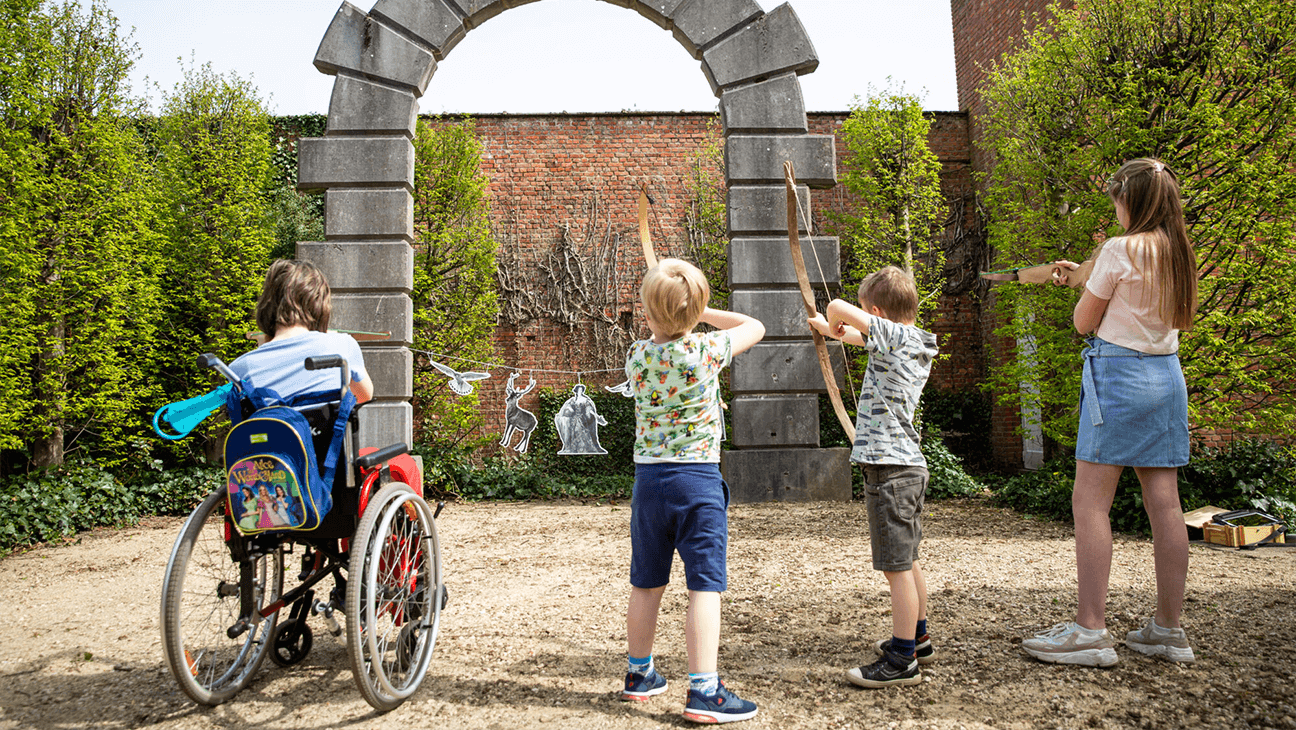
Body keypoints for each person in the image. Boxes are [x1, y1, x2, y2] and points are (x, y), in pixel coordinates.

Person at [1021, 158, 1199, 667]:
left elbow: (1083, 322)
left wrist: (1083, 281)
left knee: (1090, 502)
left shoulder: (1120, 248)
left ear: (1132, 201)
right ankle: (1169, 629)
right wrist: (1087, 273)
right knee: (1164, 503)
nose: (1115, 211)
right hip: (1166, 375)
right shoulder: (1176, 251)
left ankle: (1090, 630)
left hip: (1119, 377)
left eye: (1117, 201)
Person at [619, 258, 765, 724]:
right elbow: (754, 326)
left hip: (649, 483)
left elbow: (661, 324)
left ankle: (639, 674)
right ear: (696, 310)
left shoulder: (638, 355)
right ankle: (703, 690)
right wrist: (702, 312)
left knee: (646, 582)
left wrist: (676, 308)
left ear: (647, 312)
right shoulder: (708, 349)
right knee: (705, 583)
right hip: (697, 481)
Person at [808, 266, 939, 688]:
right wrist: (829, 331)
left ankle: (902, 660)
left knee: (895, 566)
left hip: (891, 469)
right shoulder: (913, 340)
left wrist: (833, 317)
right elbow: (850, 332)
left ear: (878, 312)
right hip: (907, 466)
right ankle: (917, 638)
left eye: (868, 312)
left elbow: (837, 308)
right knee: (908, 559)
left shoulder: (895, 336)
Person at [229, 259, 373, 405]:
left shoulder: (238, 368)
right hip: (322, 428)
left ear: (267, 303)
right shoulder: (343, 345)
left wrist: (262, 348)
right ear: (319, 303)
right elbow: (363, 395)